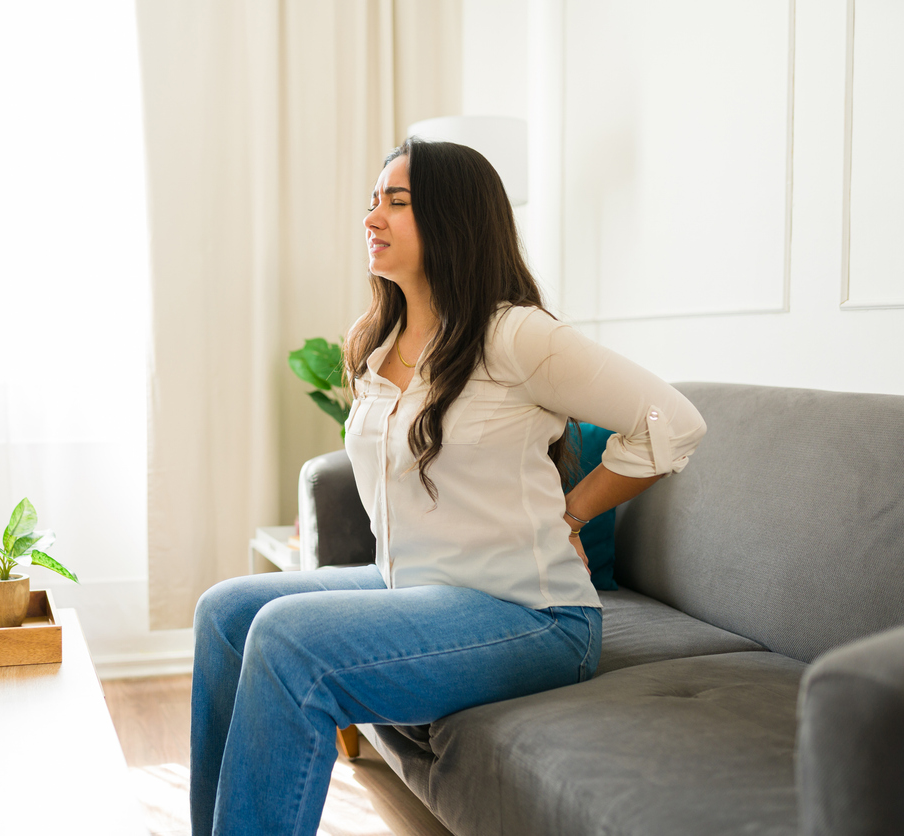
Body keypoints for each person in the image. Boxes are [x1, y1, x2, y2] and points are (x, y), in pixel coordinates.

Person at [189, 138, 707, 836]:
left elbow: (671, 422)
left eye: (396, 203)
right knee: (225, 612)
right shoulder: (377, 341)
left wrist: (574, 515)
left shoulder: (517, 335)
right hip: (414, 587)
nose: (372, 218)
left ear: (454, 217)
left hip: (532, 614)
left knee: (289, 638)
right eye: (372, 202)